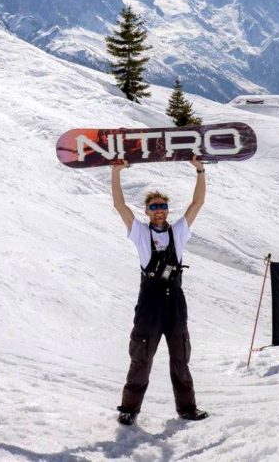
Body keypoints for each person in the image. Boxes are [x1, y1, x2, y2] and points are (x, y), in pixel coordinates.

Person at [112, 157, 209, 426]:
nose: (159, 210)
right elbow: (119, 206)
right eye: (154, 206)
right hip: (150, 304)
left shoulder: (179, 233)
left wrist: (200, 170)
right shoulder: (140, 234)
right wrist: (116, 172)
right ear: (147, 210)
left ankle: (187, 409)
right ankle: (129, 409)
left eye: (163, 206)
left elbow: (197, 203)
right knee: (141, 358)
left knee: (180, 357)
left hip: (175, 303)